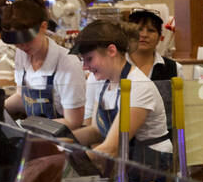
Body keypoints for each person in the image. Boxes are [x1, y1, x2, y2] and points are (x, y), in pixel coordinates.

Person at [71, 20, 172, 170]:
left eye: (89, 59)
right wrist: (59, 142)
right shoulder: (104, 83)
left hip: (152, 168)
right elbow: (97, 131)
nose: (85, 67)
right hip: (128, 163)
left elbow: (111, 148)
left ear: (111, 51)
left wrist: (64, 161)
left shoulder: (137, 86)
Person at [2, 0, 85, 131]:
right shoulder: (22, 54)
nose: (21, 45)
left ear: (43, 27)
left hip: (62, 140)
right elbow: (20, 96)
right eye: (15, 41)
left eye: (26, 39)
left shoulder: (67, 63)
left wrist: (32, 130)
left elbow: (74, 121)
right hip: (34, 135)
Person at [125, 8, 178, 80]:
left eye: (151, 30)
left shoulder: (174, 68)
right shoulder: (115, 65)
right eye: (139, 29)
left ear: (159, 38)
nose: (144, 35)